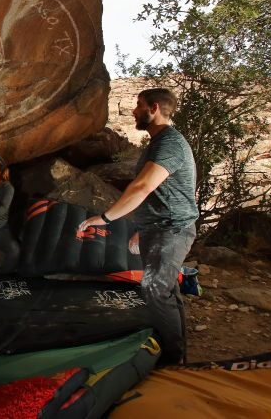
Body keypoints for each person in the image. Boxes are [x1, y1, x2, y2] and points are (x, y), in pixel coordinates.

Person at [77, 88, 199, 364]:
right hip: (157, 227)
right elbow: (158, 191)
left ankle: (172, 361)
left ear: (154, 108)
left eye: (139, 105)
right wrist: (142, 226)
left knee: (155, 288)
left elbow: (143, 186)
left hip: (172, 229)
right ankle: (177, 354)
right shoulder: (159, 142)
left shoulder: (169, 142)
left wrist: (104, 218)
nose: (134, 110)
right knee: (166, 289)